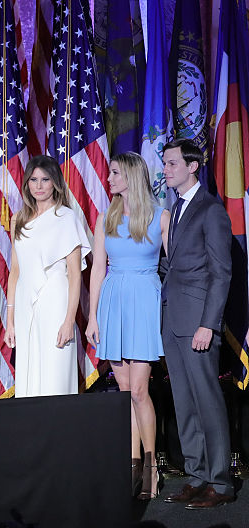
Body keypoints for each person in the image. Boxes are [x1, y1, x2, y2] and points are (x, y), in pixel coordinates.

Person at [86, 153, 168, 499]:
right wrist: (92, 316)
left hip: (145, 300)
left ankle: (151, 466)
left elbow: (175, 265)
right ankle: (132, 465)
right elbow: (98, 269)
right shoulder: (106, 217)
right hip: (114, 302)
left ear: (131, 176)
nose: (108, 179)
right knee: (124, 394)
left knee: (138, 390)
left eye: (115, 173)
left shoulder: (161, 217)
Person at [159, 139, 234, 509]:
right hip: (173, 320)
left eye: (172, 163)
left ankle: (220, 484)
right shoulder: (174, 210)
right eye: (165, 163)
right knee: (184, 402)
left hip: (198, 323)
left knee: (207, 400)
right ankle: (197, 474)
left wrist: (209, 324)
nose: (166, 169)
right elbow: (170, 268)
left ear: (193, 166)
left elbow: (221, 274)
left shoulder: (211, 210)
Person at [5, 155, 91, 397]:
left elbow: (75, 276)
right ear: (27, 183)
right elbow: (15, 272)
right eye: (33, 179)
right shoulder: (18, 220)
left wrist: (68, 321)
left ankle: (59, 432)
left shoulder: (66, 218)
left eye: (45, 179)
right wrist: (10, 319)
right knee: (29, 373)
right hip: (24, 305)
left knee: (55, 374)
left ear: (55, 183)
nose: (39, 186)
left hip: (56, 303)